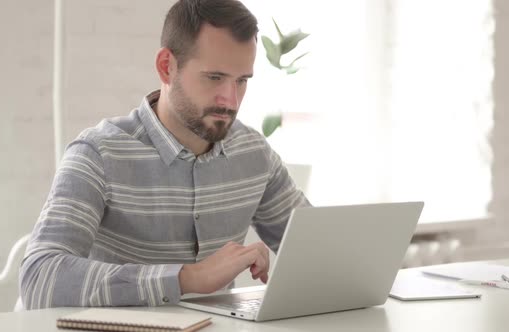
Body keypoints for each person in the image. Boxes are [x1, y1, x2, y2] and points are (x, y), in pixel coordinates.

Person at [19, 0, 310, 309]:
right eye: (214, 78)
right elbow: (39, 279)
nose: (230, 99)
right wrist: (186, 278)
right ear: (166, 67)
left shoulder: (254, 154)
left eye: (242, 80)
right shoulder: (98, 154)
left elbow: (318, 248)